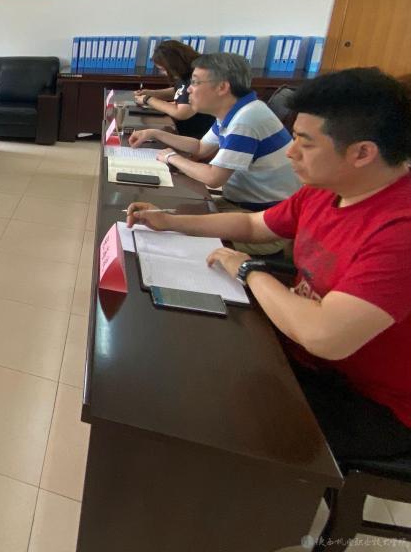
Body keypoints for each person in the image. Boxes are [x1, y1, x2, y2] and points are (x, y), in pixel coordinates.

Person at [126, 67, 411, 463]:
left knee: (200, 416)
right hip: (302, 351)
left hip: (369, 400)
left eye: (305, 143)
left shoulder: (399, 231)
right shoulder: (328, 189)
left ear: (362, 153)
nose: (290, 152)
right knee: (181, 354)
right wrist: (170, 221)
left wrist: (248, 270)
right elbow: (253, 225)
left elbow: (324, 335)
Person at [128, 52, 300, 213]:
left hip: (263, 213)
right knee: (162, 212)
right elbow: (200, 147)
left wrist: (171, 157)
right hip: (244, 202)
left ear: (222, 87)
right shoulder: (238, 110)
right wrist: (154, 133)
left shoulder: (245, 121)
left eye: (195, 83)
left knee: (161, 217)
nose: (188, 89)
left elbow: (213, 177)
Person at [133, 40, 216, 139]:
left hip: (198, 135)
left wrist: (148, 99)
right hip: (184, 131)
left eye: (163, 69)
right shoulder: (185, 72)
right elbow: (179, 92)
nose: (163, 73)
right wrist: (152, 93)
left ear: (174, 65)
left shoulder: (197, 76)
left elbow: (181, 112)